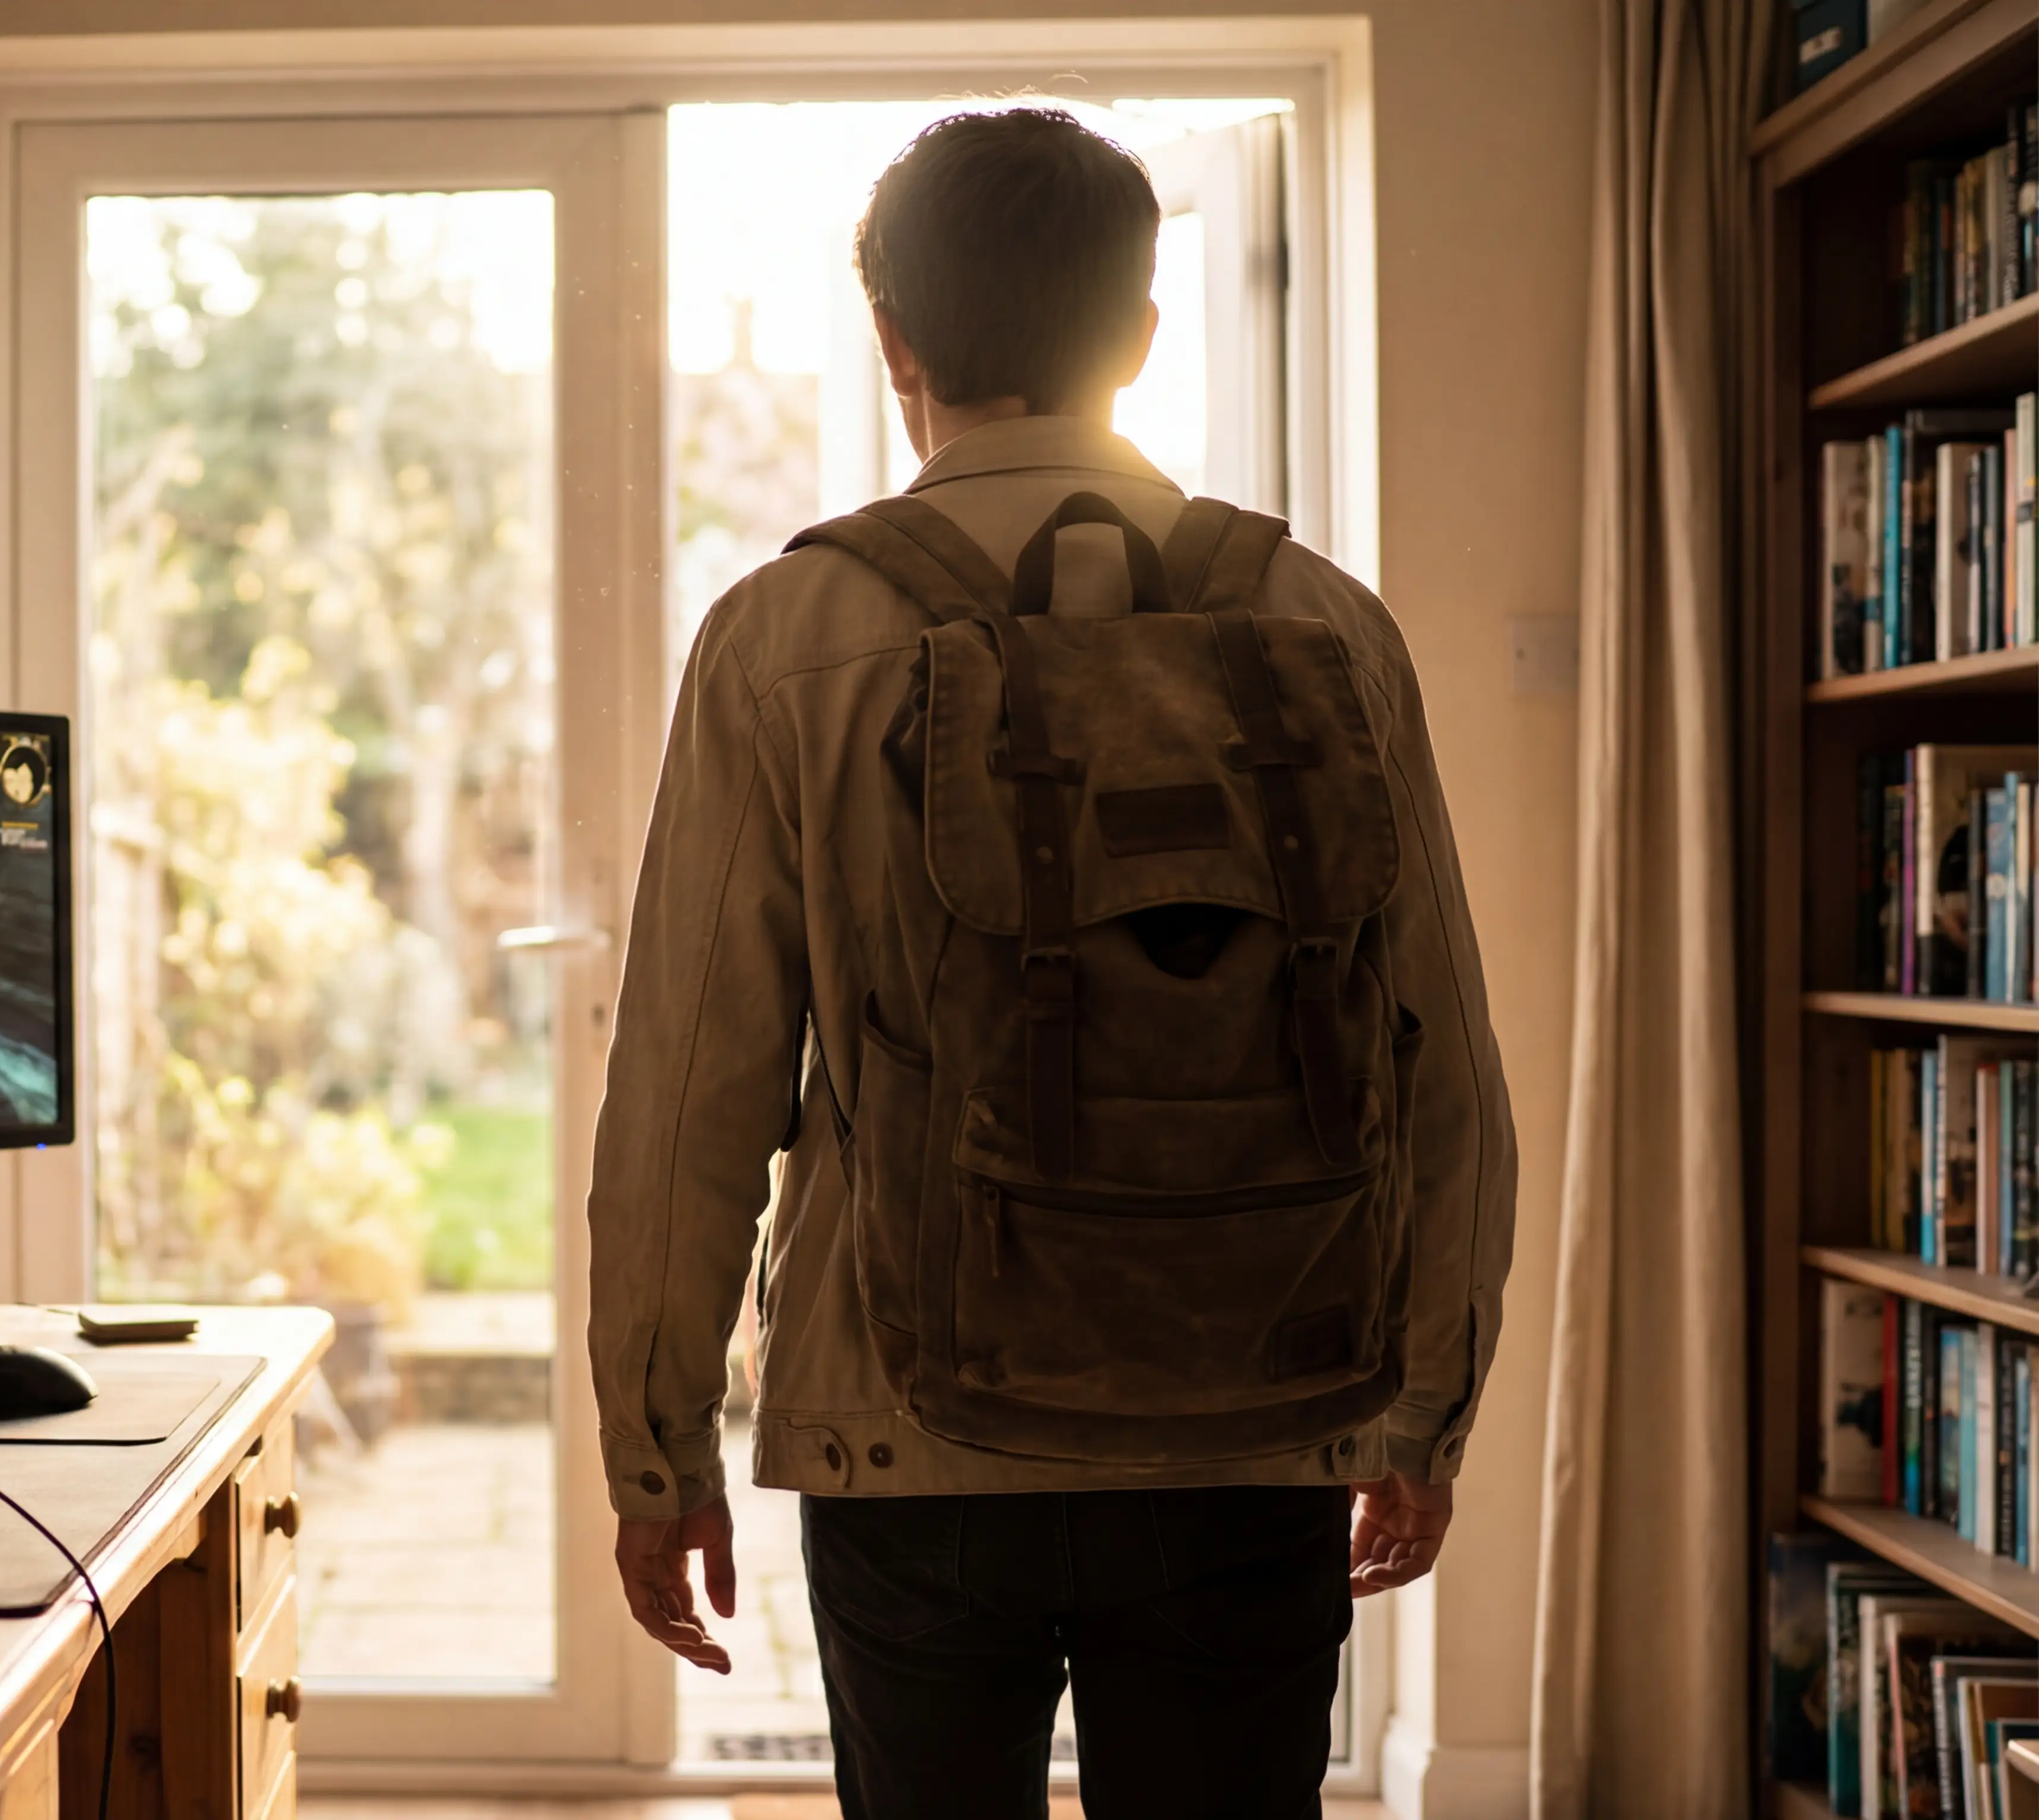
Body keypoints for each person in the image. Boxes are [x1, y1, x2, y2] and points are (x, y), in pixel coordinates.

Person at [585, 108, 1515, 1818]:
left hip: (906, 1431)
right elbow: (1439, 1059)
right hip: (1260, 1396)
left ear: (895, 345)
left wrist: (660, 1454)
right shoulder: (1321, 623)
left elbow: (689, 1093)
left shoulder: (789, 639)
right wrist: (1420, 1414)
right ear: (1143, 341)